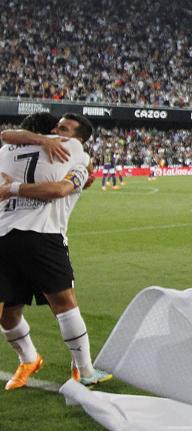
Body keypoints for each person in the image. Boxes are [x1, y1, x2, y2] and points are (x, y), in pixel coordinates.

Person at [0, 112, 111, 389]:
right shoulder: (74, 149)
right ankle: (84, 370)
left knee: (8, 312)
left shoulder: (5, 149)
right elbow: (62, 189)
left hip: (3, 234)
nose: (57, 132)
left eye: (64, 129)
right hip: (43, 234)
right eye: (57, 128)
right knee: (64, 304)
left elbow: (7, 135)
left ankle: (29, 359)